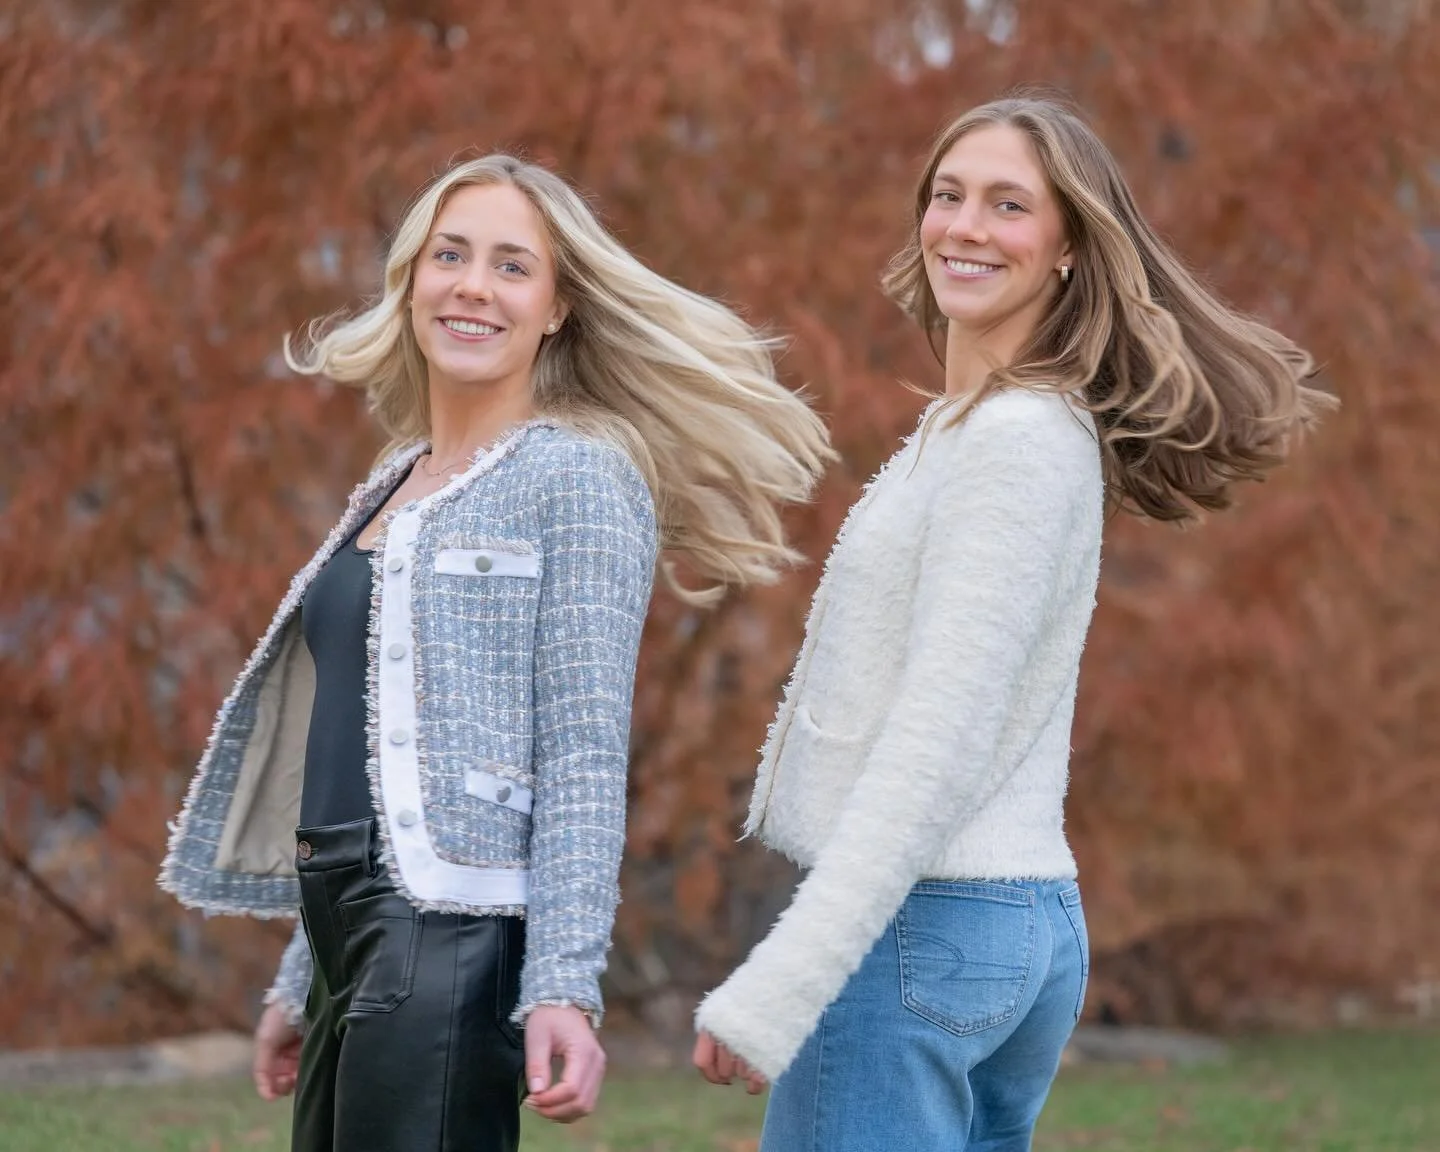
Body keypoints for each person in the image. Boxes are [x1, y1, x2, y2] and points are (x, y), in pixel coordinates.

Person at [691, 92, 1332, 1150]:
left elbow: (939, 739)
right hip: (1000, 926)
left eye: (1008, 205)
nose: (966, 227)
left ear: (1069, 245)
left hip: (923, 930)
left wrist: (784, 981)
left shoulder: (1015, 443)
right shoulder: (986, 428)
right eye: (948, 195)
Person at [159, 152, 832, 1152]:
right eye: (451, 256)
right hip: (346, 930)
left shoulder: (581, 479)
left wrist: (563, 985)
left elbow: (582, 752)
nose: (474, 285)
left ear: (557, 308)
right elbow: (372, 755)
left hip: (452, 938)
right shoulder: (396, 479)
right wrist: (304, 979)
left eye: (512, 266)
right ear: (411, 283)